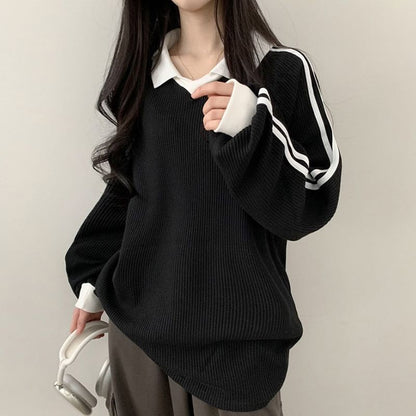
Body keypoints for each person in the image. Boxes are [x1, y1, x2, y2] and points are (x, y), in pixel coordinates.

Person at [65, 0, 343, 415]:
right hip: (140, 341)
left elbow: (315, 198)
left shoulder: (279, 71)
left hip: (239, 353)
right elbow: (133, 193)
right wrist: (95, 279)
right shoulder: (145, 77)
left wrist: (250, 127)